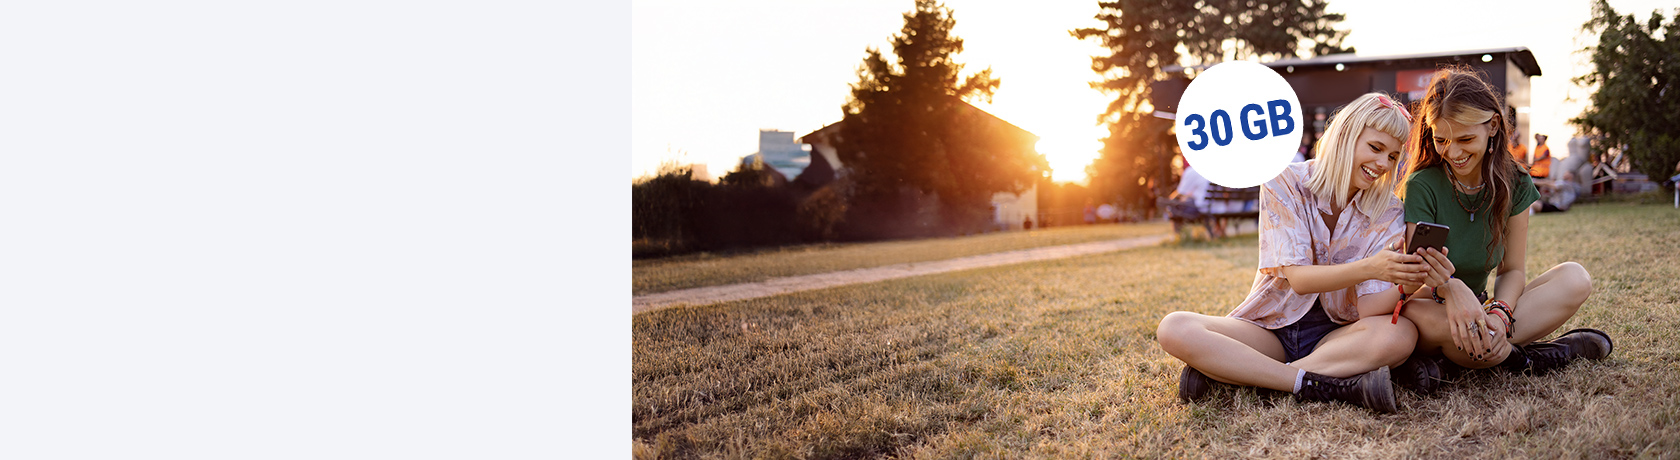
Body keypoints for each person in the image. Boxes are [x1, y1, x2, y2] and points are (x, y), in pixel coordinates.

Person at [1156, 93, 1426, 413]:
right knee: (1174, 327)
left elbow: (1369, 309)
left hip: (1337, 335)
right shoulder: (1285, 180)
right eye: (1375, 148)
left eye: (1394, 157)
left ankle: (1244, 374)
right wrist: (1371, 267)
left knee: (1401, 335)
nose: (1383, 164)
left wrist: (1410, 283)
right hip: (1269, 329)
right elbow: (1299, 278)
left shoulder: (1389, 210)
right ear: (1344, 137)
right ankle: (1317, 383)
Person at [1394, 68, 1609, 395]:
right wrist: (1452, 289)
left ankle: (1462, 359)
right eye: (1441, 140)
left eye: (1465, 139)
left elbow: (1513, 269)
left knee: (1575, 278)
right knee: (1461, 332)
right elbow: (1420, 272)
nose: (1453, 152)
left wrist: (1501, 314)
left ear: (1493, 126)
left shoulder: (1515, 181)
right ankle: (1529, 358)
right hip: (1429, 307)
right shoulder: (1423, 185)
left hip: (1481, 310)